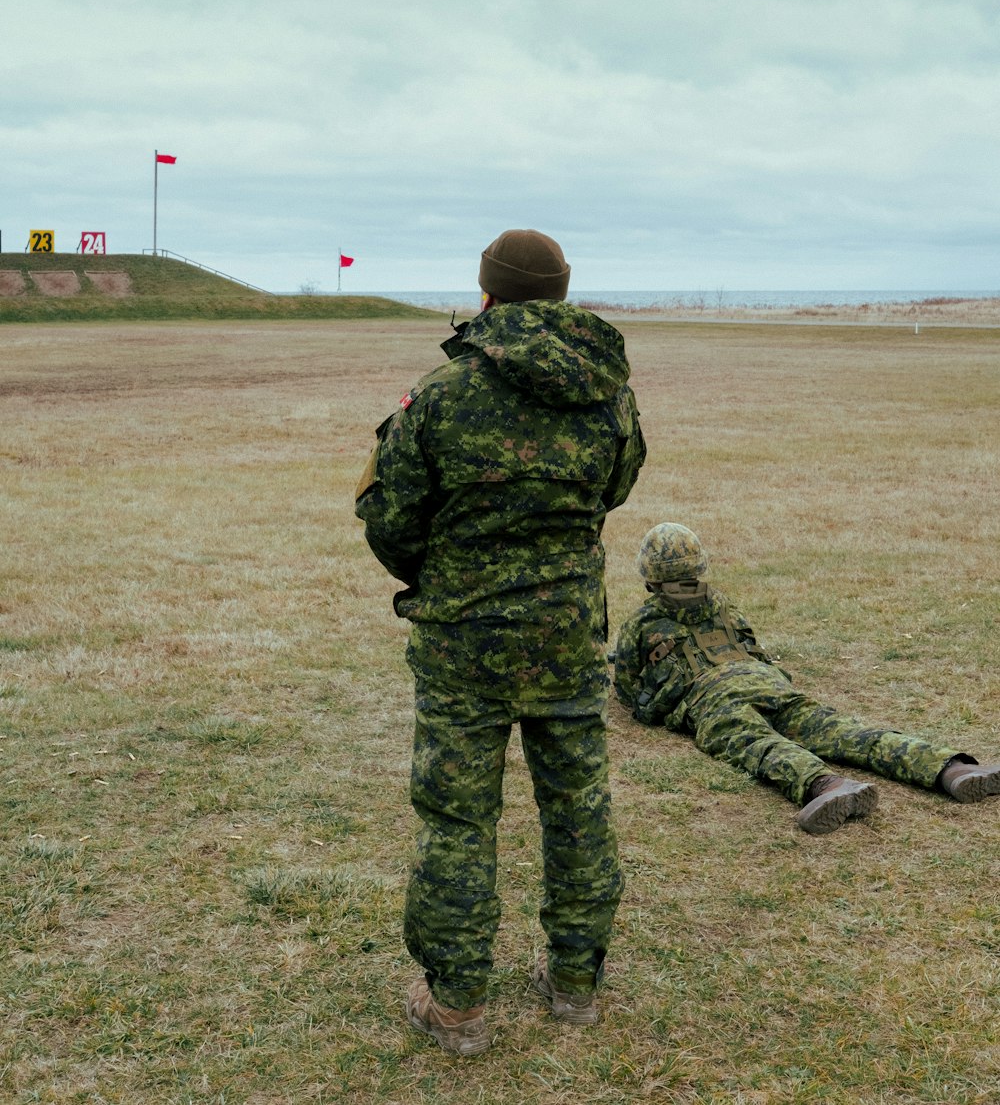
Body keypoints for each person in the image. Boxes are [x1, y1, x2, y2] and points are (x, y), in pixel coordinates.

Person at [355, 229, 645, 1056]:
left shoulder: (443, 392)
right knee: (578, 809)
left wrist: (450, 577)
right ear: (558, 295)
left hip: (462, 648)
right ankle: (576, 985)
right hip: (565, 639)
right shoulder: (608, 393)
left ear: (486, 294)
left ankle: (458, 1008)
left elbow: (392, 521)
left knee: (457, 822)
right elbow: (614, 488)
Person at [614, 522, 1000, 835]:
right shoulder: (723, 606)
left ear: (648, 575)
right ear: (701, 566)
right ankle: (954, 769)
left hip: (712, 699)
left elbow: (630, 693)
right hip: (769, 683)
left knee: (757, 743)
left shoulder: (641, 624)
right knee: (845, 732)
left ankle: (827, 785)